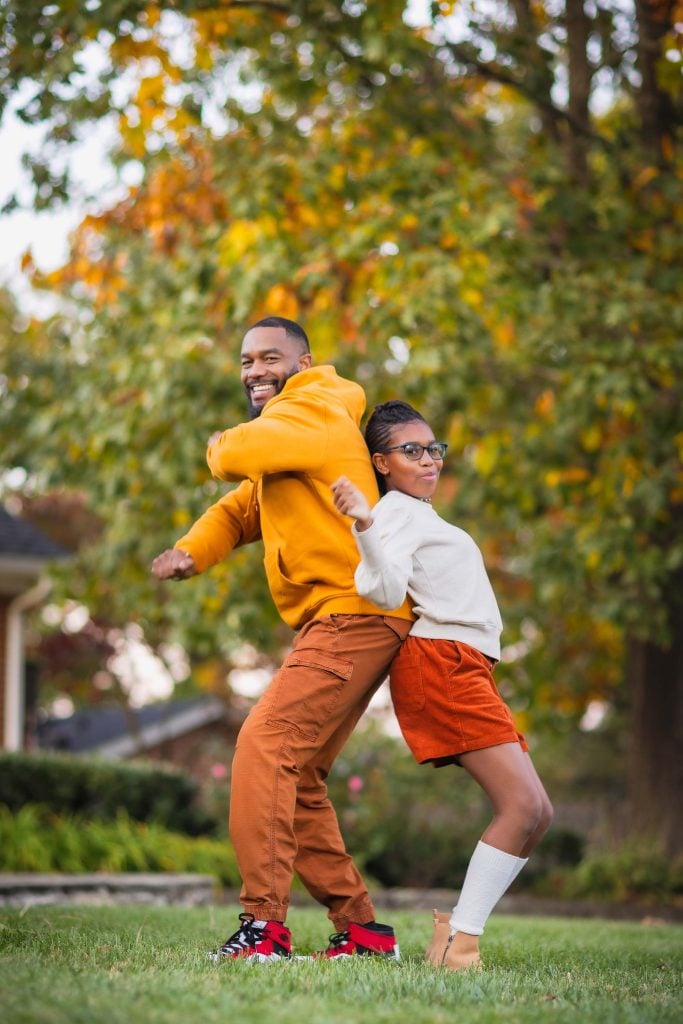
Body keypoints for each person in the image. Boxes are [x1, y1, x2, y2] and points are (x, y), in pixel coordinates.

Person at [152, 317, 413, 962]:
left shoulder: (314, 409)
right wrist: (193, 551)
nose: (254, 371)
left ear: (302, 363)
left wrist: (217, 444)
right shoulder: (292, 436)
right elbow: (244, 506)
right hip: (347, 619)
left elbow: (235, 456)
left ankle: (263, 928)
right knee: (296, 778)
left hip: (352, 616)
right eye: (245, 361)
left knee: (264, 747)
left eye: (270, 357)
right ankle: (364, 933)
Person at [331, 399, 553, 971]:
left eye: (434, 448)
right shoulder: (396, 512)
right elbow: (380, 589)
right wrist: (364, 522)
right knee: (523, 806)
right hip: (443, 663)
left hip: (466, 665)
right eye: (412, 451)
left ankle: (451, 936)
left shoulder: (418, 513)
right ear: (381, 462)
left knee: (538, 812)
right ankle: (459, 946)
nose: (429, 460)